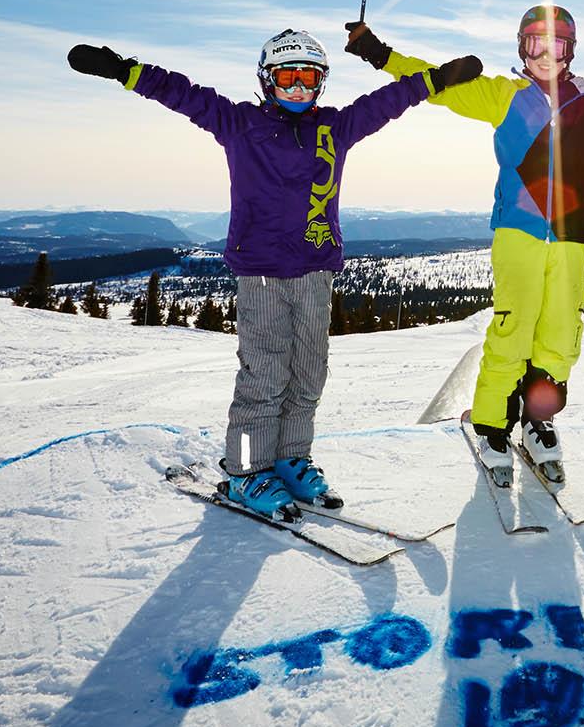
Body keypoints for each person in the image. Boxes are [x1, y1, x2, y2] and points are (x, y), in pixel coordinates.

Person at [68, 31, 483, 517]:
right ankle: (245, 471)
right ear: (267, 79)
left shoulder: (335, 127)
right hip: (262, 273)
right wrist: (125, 70)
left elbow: (385, 103)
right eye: (289, 78)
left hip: (314, 273)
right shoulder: (239, 123)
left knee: (308, 373)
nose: (299, 89)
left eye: (309, 79)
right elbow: (181, 93)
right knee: (263, 377)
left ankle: (290, 459)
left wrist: (433, 80)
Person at [344, 5, 584, 485]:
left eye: (557, 46)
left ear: (571, 51)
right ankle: (492, 424)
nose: (546, 56)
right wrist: (375, 51)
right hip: (519, 232)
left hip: (573, 237)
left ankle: (538, 419)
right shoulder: (503, 95)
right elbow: (433, 84)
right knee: (514, 329)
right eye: (536, 44)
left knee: (559, 334)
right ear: (521, 48)